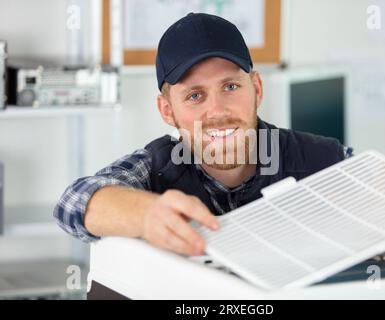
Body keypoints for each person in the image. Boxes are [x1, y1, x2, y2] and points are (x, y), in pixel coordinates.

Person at [54, 12, 362, 257]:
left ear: (256, 88)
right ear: (167, 111)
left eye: (230, 87)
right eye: (195, 96)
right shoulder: (156, 168)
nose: (217, 111)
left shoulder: (327, 160)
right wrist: (146, 213)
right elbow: (72, 203)